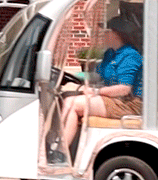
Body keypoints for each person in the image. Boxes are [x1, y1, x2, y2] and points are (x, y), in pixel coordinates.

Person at [60, 16, 143, 152]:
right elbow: (97, 76)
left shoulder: (130, 55)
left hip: (128, 104)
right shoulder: (111, 53)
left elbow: (124, 89)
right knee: (64, 97)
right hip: (113, 99)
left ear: (116, 34)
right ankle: (63, 145)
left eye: (106, 31)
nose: (103, 34)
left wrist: (97, 92)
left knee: (73, 103)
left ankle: (60, 152)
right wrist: (71, 76)